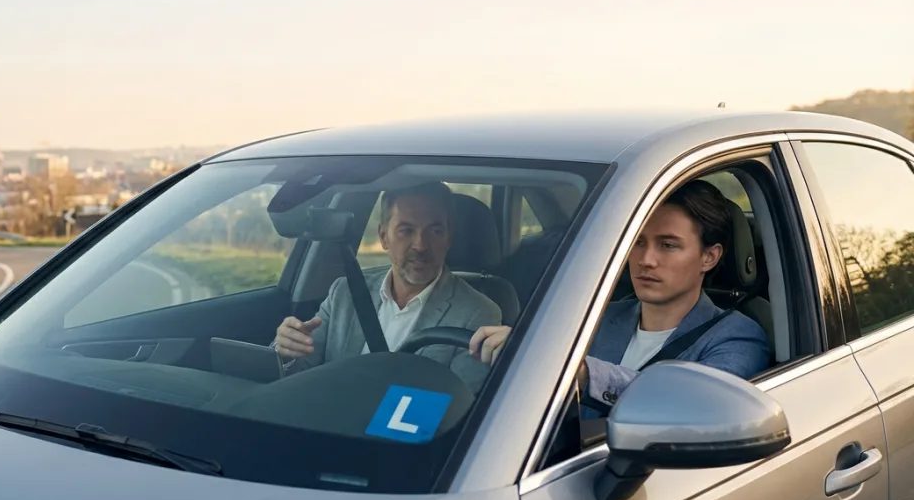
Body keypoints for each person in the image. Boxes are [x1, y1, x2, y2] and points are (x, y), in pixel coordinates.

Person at [469, 179, 771, 409]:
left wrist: (577, 371)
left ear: (709, 257)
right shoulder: (595, 318)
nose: (646, 260)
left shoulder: (738, 337)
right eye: (637, 242)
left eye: (668, 245)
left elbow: (688, 404)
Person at [273, 181, 501, 391]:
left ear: (449, 238)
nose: (421, 245)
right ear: (384, 237)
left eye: (435, 231)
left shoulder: (478, 313)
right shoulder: (345, 292)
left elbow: (460, 405)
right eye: (406, 230)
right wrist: (286, 352)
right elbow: (298, 376)